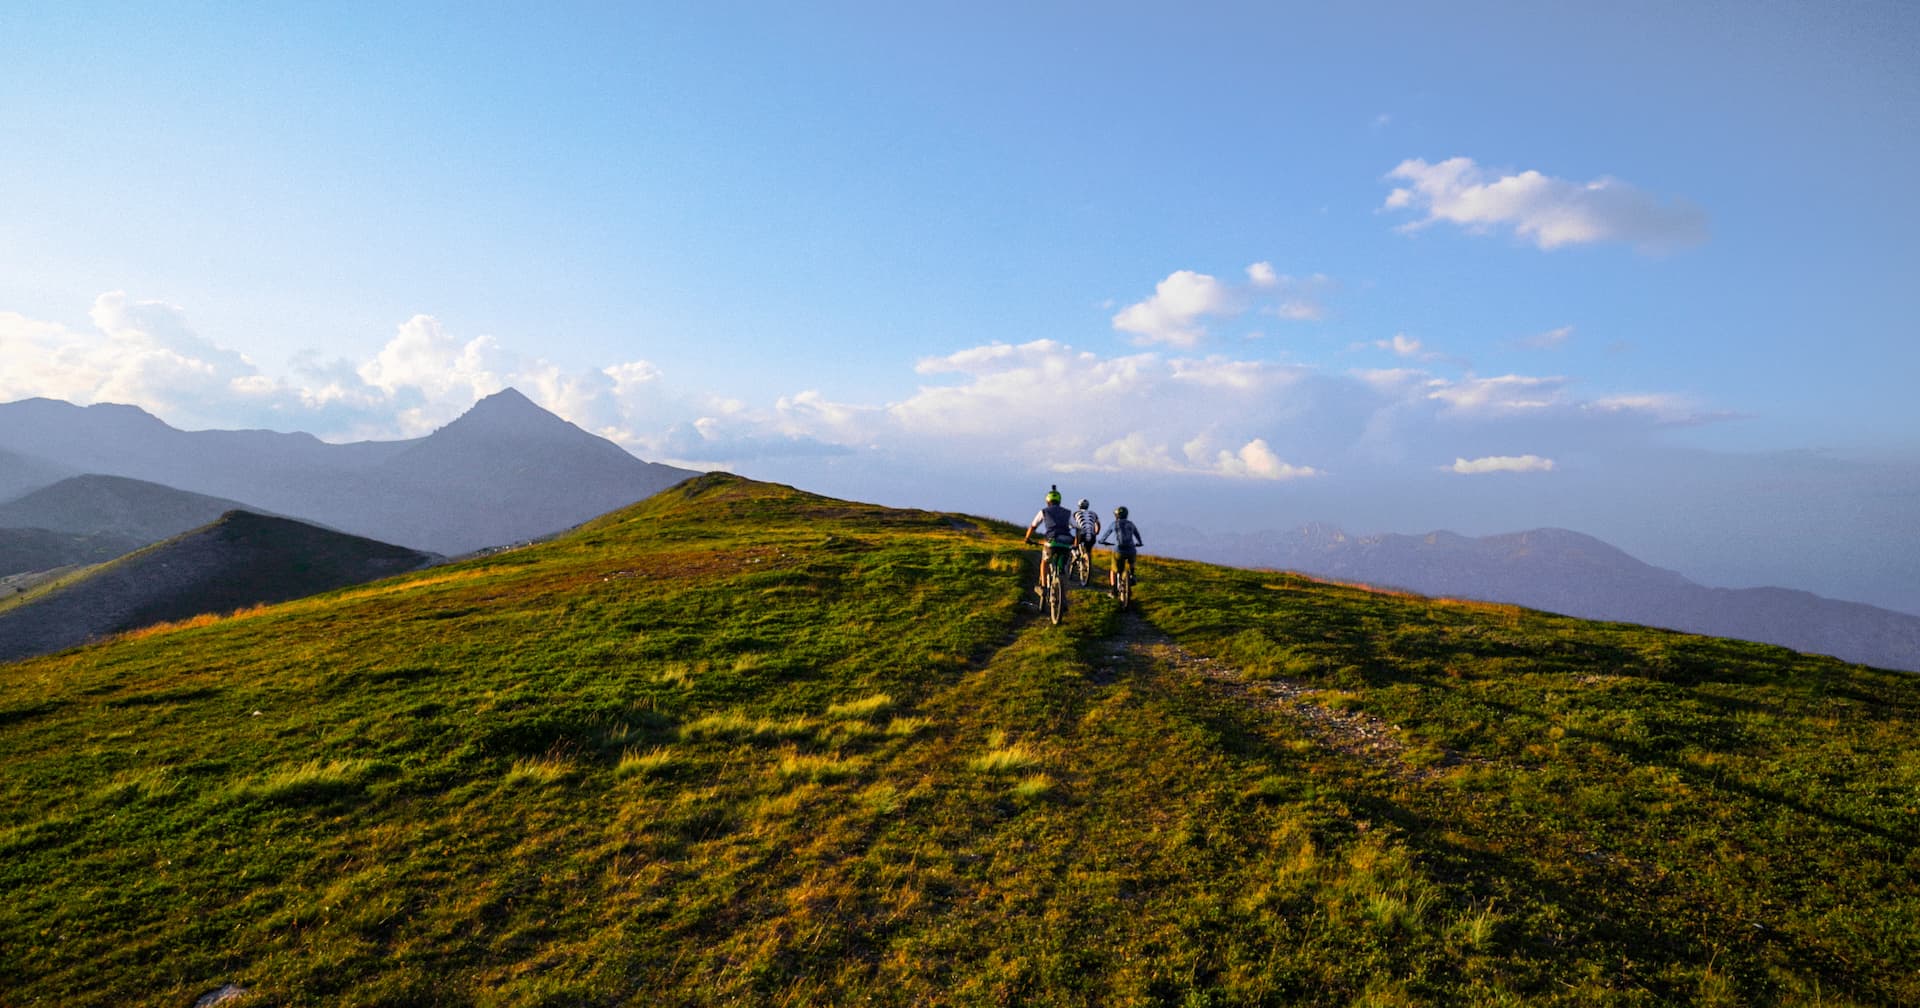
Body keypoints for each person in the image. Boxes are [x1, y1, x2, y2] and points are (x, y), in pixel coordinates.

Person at [1022, 485, 1077, 596]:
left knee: (1045, 562)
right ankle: (1063, 597)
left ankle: (1043, 587)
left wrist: (1027, 538)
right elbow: (1077, 527)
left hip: (1052, 542)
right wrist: (1076, 543)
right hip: (1066, 543)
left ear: (1047, 501)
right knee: (1062, 569)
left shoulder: (1044, 511)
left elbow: (1033, 526)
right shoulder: (1068, 512)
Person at [1100, 505, 1144, 596]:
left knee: (1113, 570)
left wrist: (1102, 541)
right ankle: (1132, 574)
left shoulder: (1114, 524)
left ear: (1116, 515)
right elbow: (1137, 534)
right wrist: (1139, 543)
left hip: (1119, 550)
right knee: (1132, 562)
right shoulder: (1131, 524)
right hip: (1131, 549)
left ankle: (1113, 591)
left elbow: (1105, 535)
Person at [1071, 497, 1101, 578]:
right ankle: (1088, 562)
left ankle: (1075, 554)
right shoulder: (1093, 514)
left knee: (1074, 546)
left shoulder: (1075, 513)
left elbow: (1072, 524)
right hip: (1091, 535)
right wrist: (1096, 532)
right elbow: (1098, 524)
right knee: (1088, 550)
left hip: (1081, 535)